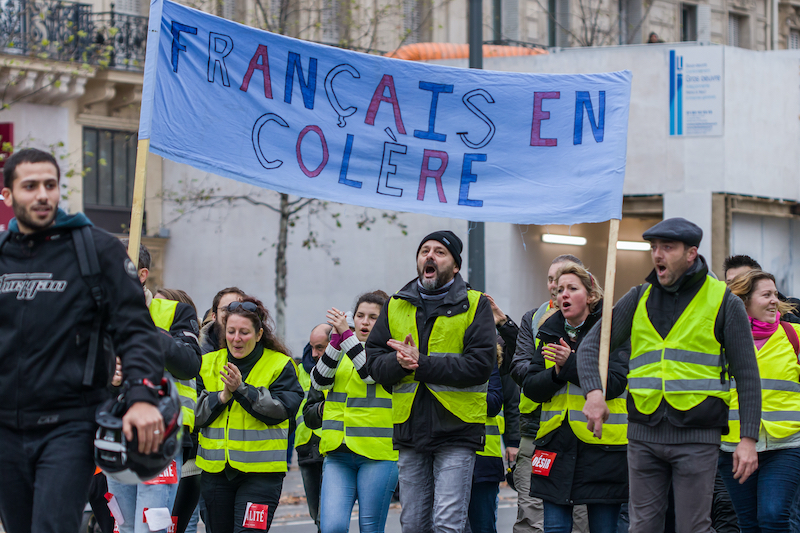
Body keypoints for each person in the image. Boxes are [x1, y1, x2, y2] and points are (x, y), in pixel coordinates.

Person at [0, 148, 165, 533]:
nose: (42, 194)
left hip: (70, 425)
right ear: (7, 195)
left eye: (50, 185)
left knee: (52, 527)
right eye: (30, 186)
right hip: (6, 428)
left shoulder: (96, 250)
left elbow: (136, 332)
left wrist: (142, 398)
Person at [578, 217, 761, 533]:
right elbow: (591, 347)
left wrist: (747, 439)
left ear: (691, 253)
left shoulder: (723, 302)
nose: (657, 255)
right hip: (643, 433)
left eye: (668, 247)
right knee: (643, 527)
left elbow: (747, 375)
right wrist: (594, 393)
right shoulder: (638, 297)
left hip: (697, 434)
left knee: (692, 527)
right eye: (654, 248)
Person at [367, 230, 496, 533]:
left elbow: (479, 366)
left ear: (455, 266)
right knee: (413, 525)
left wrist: (421, 363)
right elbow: (374, 361)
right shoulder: (395, 304)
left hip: (457, 429)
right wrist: (398, 363)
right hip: (410, 429)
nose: (430, 256)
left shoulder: (475, 305)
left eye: (440, 252)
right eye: (424, 250)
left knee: (447, 524)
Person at [524, 262, 628, 533]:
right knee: (554, 528)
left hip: (602, 447)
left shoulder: (612, 331)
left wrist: (569, 365)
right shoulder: (549, 331)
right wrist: (557, 374)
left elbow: (615, 384)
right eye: (559, 290)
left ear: (591, 296)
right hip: (554, 445)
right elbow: (531, 387)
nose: (563, 295)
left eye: (572, 288)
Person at [107, 253, 202, 533]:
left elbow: (189, 365)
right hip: (115, 438)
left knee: (151, 529)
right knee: (125, 528)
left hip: (162, 434)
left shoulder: (175, 313)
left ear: (142, 275)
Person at [195, 296, 303, 532]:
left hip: (261, 476)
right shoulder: (206, 363)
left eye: (244, 332)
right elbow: (194, 415)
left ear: (259, 334)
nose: (236, 338)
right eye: (231, 331)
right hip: (215, 473)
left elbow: (282, 410)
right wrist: (221, 397)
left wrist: (241, 390)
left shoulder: (280, 364)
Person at [304, 291, 399, 533]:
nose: (364, 322)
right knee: (332, 527)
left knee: (370, 528)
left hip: (377, 453)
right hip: (337, 453)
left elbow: (369, 373)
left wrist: (346, 335)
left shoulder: (391, 353)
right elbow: (319, 381)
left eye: (373, 317)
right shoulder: (342, 348)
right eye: (360, 315)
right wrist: (335, 343)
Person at [511, 254, 589, 533]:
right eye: (552, 280)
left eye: (566, 282)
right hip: (536, 429)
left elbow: (608, 377)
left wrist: (568, 365)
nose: (558, 287)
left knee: (581, 520)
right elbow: (520, 370)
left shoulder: (597, 322)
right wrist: (555, 372)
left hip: (583, 435)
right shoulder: (534, 319)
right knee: (531, 516)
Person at [721, 270, 800, 532]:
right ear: (744, 301)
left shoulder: (794, 335)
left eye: (775, 294)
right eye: (766, 295)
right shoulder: (720, 340)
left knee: (773, 516)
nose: (774, 300)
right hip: (733, 446)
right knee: (748, 523)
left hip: (786, 444)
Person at [294, 324, 331, 532]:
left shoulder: (338, 366)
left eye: (320, 347)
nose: (315, 353)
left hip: (329, 445)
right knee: (315, 513)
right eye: (312, 347)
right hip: (305, 446)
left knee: (329, 513)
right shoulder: (300, 369)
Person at [199, 287, 247, 353]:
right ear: (214, 316)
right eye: (225, 310)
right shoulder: (198, 349)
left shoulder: (263, 349)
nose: (231, 315)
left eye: (238, 309)